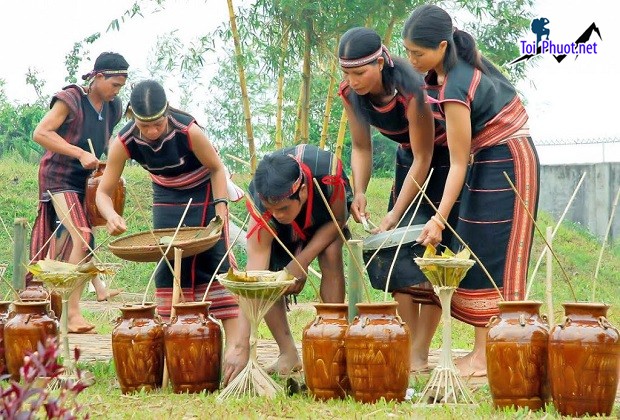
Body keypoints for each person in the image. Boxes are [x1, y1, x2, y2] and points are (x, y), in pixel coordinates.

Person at [402, 4, 540, 376]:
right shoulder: (449, 74)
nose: (412, 60)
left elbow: (458, 161)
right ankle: (485, 351)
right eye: (409, 52)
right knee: (476, 251)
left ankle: (488, 354)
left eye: (419, 53)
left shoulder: (457, 84)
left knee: (496, 256)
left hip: (509, 160)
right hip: (489, 157)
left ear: (443, 47)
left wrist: (438, 218)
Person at [96, 79, 249, 386]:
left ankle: (236, 358)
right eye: (144, 125)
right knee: (168, 266)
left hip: (205, 192)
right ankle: (172, 357)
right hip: (166, 197)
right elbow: (103, 191)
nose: (152, 131)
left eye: (157, 124)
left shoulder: (188, 130)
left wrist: (220, 208)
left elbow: (217, 168)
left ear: (167, 113)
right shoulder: (124, 141)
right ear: (132, 118)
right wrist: (111, 215)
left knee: (213, 264)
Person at [338, 27, 445, 373]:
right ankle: (408, 346)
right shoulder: (350, 94)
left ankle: (421, 353)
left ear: (382, 61)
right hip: (407, 161)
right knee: (399, 256)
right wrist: (361, 190)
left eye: (359, 73)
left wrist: (393, 216)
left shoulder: (413, 89)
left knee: (432, 259)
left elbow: (424, 156)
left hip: (442, 162)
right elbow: (361, 146)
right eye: (346, 73)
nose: (352, 81)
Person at [30, 52, 128, 333]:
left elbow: (107, 140)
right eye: (114, 85)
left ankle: (96, 289)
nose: (117, 91)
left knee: (84, 237)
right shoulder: (71, 99)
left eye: (121, 86)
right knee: (82, 236)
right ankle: (71, 315)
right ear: (98, 77)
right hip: (59, 176)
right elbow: (41, 132)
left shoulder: (113, 106)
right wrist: (79, 152)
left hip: (85, 181)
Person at [245, 144, 352, 375]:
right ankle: (288, 352)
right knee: (268, 279)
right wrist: (241, 343)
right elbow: (256, 271)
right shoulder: (260, 199)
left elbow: (339, 221)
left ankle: (332, 341)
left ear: (301, 191)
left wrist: (300, 261)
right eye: (272, 209)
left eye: (283, 208)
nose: (278, 215)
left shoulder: (329, 175)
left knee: (331, 253)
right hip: (281, 233)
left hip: (327, 218)